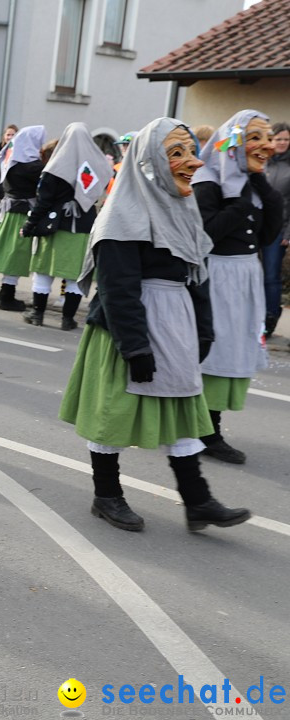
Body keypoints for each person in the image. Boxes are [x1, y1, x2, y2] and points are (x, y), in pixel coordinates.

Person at [61, 117, 251, 533]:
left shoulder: (182, 210)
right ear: (148, 162)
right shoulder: (121, 217)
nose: (192, 163)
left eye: (191, 152)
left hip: (176, 322)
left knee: (182, 410)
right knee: (115, 412)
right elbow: (117, 287)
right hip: (128, 328)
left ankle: (198, 501)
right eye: (177, 153)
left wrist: (204, 329)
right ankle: (106, 495)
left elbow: (195, 274)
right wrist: (135, 347)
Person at [192, 109, 283, 464]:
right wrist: (238, 202)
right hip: (216, 276)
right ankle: (205, 431)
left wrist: (262, 188)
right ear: (234, 144)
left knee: (234, 349)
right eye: (255, 137)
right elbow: (205, 235)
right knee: (214, 351)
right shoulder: (207, 181)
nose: (265, 145)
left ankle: (207, 425)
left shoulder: (252, 186)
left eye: (267, 137)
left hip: (245, 276)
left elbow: (267, 235)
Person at [20, 122, 112, 330]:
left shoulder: (55, 167)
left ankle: (37, 314)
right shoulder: (96, 167)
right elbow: (104, 185)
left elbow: (43, 202)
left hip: (54, 227)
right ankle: (67, 319)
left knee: (44, 272)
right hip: (82, 229)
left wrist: (29, 225)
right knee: (74, 276)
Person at [0, 125, 47, 311]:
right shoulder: (32, 166)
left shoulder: (11, 160)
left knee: (13, 255)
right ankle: (7, 297)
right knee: (16, 256)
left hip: (10, 210)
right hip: (22, 213)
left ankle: (7, 295)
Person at [262, 121, 290, 337]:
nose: (281, 143)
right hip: (254, 228)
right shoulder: (262, 163)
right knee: (254, 273)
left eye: (286, 139)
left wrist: (288, 233)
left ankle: (270, 317)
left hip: (278, 230)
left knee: (271, 275)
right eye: (278, 139)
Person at [0, 124, 18, 215]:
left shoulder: (18, 154)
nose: (10, 137)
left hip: (8, 196)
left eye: (13, 135)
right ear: (4, 136)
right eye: (8, 135)